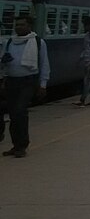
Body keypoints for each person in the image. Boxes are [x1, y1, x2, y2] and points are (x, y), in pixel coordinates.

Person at [2, 13, 51, 158]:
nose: (19, 27)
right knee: (12, 113)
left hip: (27, 82)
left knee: (20, 111)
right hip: (11, 81)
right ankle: (15, 145)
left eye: (22, 24)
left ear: (29, 26)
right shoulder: (9, 42)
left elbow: (44, 64)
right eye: (17, 25)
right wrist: (3, 61)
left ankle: (22, 145)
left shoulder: (37, 42)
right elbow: (3, 64)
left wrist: (43, 84)